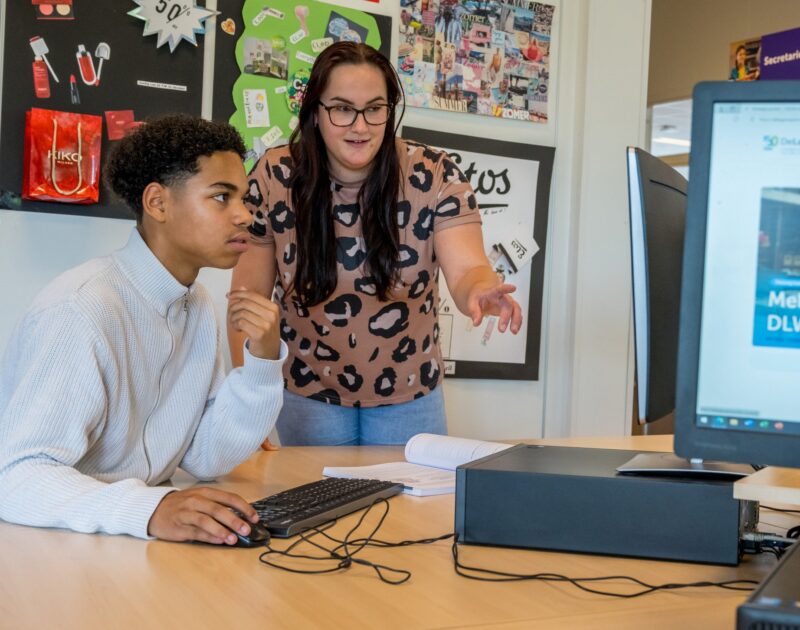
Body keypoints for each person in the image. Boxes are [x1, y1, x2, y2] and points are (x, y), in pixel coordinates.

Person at [0, 115, 287, 544]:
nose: (245, 215)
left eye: (244, 198)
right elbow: (16, 478)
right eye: (222, 197)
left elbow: (205, 455)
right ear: (158, 203)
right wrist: (150, 508)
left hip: (129, 546)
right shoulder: (80, 308)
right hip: (54, 549)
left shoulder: (197, 306)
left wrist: (262, 364)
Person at [229, 42, 522, 447]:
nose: (360, 126)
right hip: (306, 390)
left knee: (413, 508)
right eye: (342, 108)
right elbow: (248, 298)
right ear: (315, 110)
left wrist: (480, 289)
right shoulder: (275, 175)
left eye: (374, 108)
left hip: (410, 392)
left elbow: (468, 267)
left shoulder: (436, 174)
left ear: (390, 110)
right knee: (319, 507)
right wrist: (247, 400)